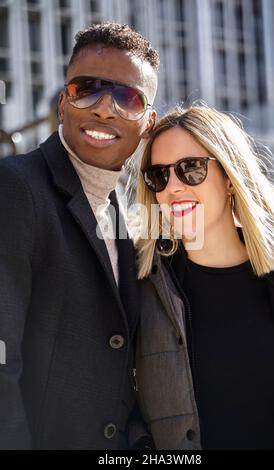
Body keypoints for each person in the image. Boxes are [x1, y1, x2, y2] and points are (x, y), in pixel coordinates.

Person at [0, 22, 158, 449]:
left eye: (128, 98)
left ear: (148, 123)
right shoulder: (13, 189)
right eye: (86, 88)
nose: (105, 109)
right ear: (63, 104)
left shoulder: (126, 212)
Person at [133, 105, 274, 450]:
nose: (173, 188)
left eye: (190, 168)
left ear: (228, 178)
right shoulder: (140, 285)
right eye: (159, 175)